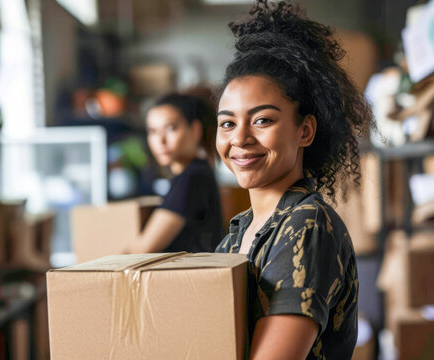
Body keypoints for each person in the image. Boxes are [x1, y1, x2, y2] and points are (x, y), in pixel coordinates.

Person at [214, 1, 373, 359]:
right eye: (227, 123)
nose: (239, 138)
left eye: (262, 120)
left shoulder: (306, 225)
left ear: (305, 130)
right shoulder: (235, 236)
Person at [124, 93, 223, 253]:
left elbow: (143, 249)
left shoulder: (192, 177)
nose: (161, 141)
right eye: (153, 131)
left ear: (195, 130)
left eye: (171, 128)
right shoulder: (196, 173)